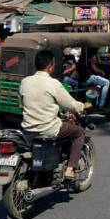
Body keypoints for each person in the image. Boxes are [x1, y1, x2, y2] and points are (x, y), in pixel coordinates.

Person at [20, 50, 91, 182]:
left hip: (28, 130)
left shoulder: (25, 82)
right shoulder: (53, 84)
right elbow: (70, 104)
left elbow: (21, 105)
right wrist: (82, 106)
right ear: (49, 66)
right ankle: (70, 169)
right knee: (79, 132)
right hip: (49, 129)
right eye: (54, 64)